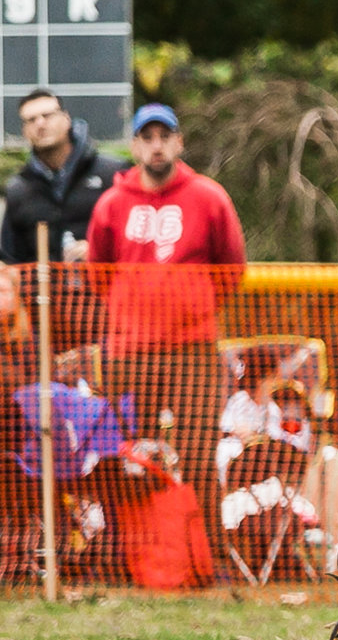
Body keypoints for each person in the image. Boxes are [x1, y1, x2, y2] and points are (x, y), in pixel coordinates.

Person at [82, 103, 246, 486]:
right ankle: (139, 545)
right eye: (147, 138)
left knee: (199, 459)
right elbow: (98, 273)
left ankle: (202, 544)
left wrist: (194, 306)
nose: (157, 146)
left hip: (193, 349)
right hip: (130, 351)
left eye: (164, 137)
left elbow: (231, 268)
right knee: (131, 457)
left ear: (179, 143)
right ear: (135, 146)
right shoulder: (111, 203)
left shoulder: (209, 197)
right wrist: (131, 311)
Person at [4, 87, 124, 265]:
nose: (40, 124)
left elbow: (134, 241)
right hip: (43, 291)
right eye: (31, 120)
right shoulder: (19, 189)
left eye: (47, 115)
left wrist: (98, 251)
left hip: (103, 288)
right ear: (24, 130)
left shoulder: (111, 174)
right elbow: (10, 258)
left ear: (66, 119)